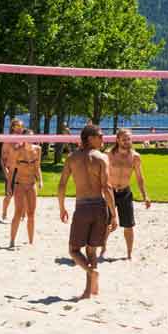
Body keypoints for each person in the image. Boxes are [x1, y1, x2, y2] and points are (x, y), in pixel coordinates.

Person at [58, 124, 118, 299]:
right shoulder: (102, 158)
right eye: (100, 135)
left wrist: (62, 207)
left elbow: (62, 185)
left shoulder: (72, 158)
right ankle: (90, 288)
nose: (103, 138)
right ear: (89, 138)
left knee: (74, 250)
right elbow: (106, 187)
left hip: (83, 207)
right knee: (91, 251)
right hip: (99, 207)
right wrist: (113, 213)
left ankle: (90, 276)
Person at [106, 128, 151, 260]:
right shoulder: (109, 154)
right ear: (118, 140)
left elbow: (139, 178)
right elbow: (101, 174)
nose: (127, 141)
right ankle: (102, 248)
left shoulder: (135, 157)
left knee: (129, 225)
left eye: (129, 139)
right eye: (124, 139)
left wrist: (145, 196)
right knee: (105, 223)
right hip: (110, 192)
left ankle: (129, 254)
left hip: (125, 192)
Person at [8, 129, 42, 248]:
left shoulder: (37, 150)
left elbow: (37, 167)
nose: (30, 139)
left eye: (32, 137)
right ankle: (12, 240)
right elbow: (11, 170)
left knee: (31, 214)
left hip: (31, 184)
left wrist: (40, 180)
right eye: (28, 137)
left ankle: (31, 241)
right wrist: (9, 186)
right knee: (18, 212)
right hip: (20, 184)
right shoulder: (17, 151)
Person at [0, 118, 25, 221]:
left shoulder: (24, 140)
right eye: (18, 126)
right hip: (11, 170)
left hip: (22, 170)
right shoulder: (8, 140)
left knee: (22, 194)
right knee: (9, 195)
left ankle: (23, 215)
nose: (20, 128)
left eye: (21, 126)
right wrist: (5, 170)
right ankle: (4, 212)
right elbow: (2, 158)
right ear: (13, 127)